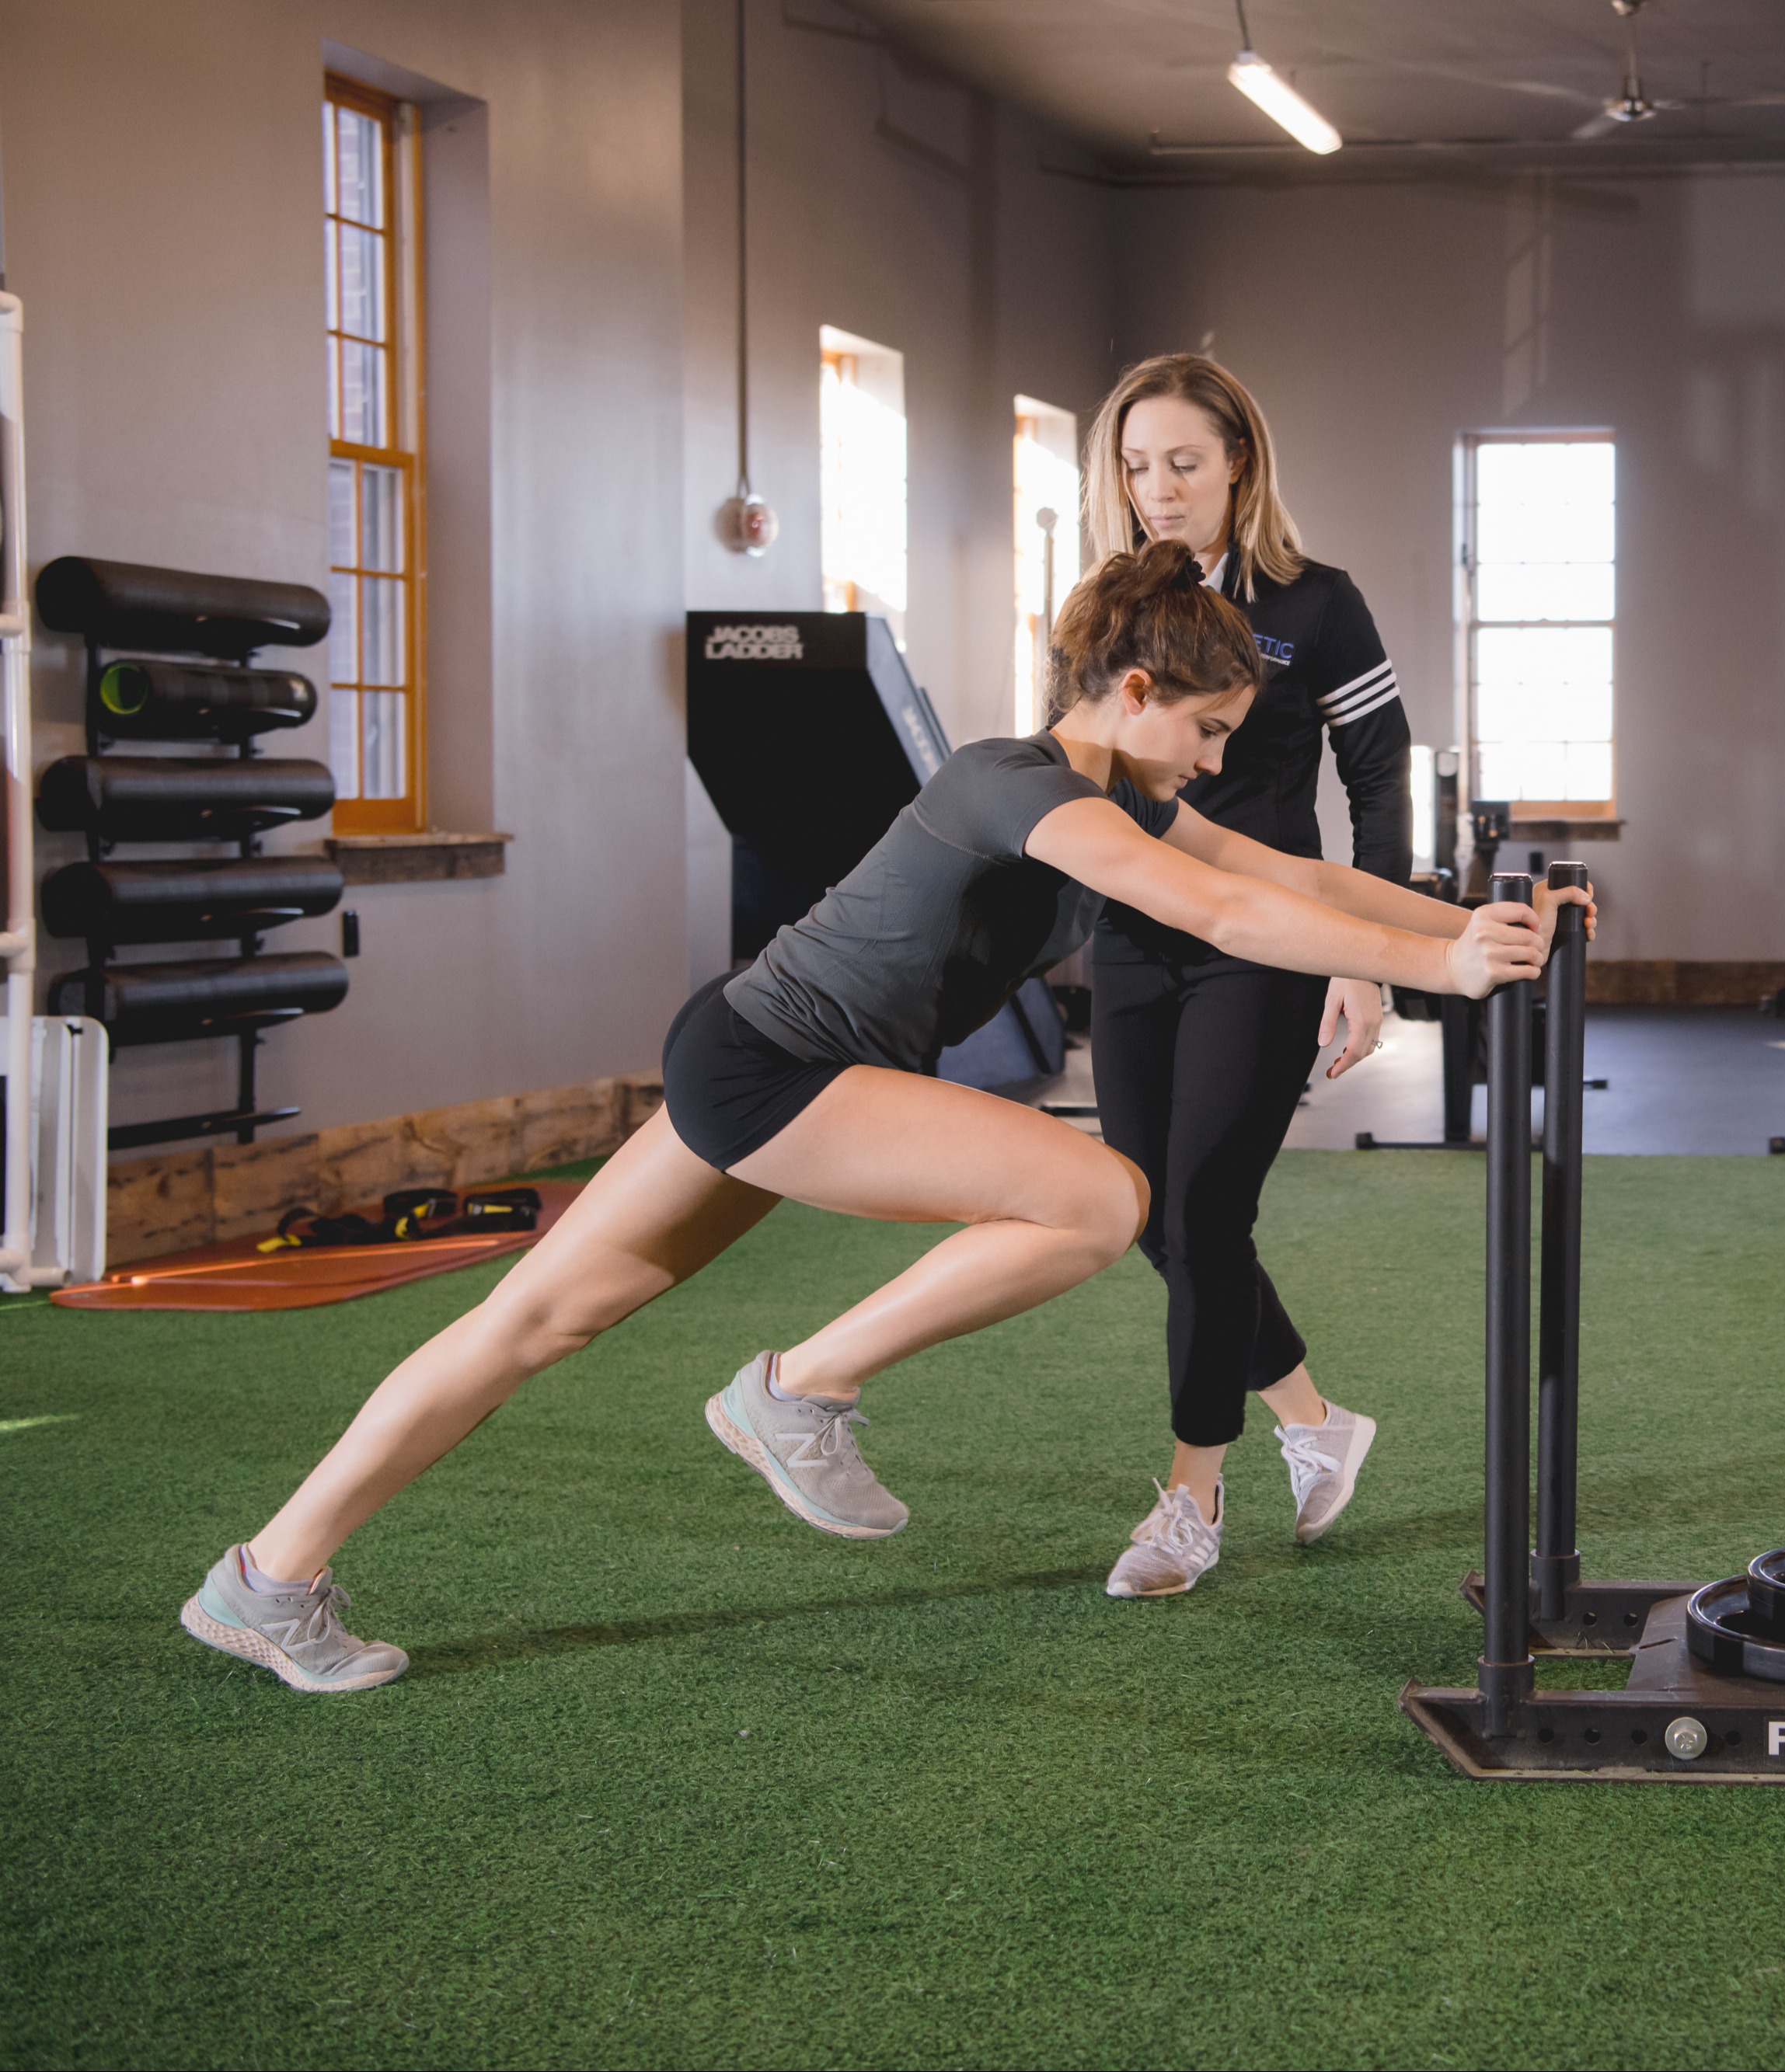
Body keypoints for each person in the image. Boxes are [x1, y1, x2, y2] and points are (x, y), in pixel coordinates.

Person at [176, 540, 1588, 1694]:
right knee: (1098, 1201)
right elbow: (1223, 912)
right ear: (1138, 688)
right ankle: (793, 1392)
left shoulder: (1125, 801)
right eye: (1207, 731)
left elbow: (1296, 879)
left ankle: (267, 1578)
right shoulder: (1012, 782)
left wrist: (1486, 921)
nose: (1214, 762)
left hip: (751, 1059)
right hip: (770, 1070)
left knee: (533, 1323)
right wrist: (1441, 975)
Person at [1081, 355, 1410, 1599]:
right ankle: (1314, 1420)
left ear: (1236, 464)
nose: (1156, 487)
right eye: (1134, 464)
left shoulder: (1317, 604)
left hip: (1266, 940)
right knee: (1146, 1214)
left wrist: (1364, 963)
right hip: (1131, 937)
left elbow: (1378, 775)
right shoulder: (1107, 603)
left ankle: (1188, 1497)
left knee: (1208, 1213)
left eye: (1180, 461)